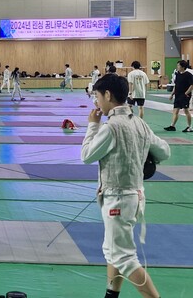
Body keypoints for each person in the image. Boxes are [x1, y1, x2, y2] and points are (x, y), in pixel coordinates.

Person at [81, 73, 170, 298]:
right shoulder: (139, 122)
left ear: (108, 95)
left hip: (118, 199)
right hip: (134, 196)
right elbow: (164, 151)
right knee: (113, 250)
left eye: (98, 96)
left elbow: (87, 155)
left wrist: (93, 126)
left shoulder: (112, 127)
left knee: (123, 256)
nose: (96, 102)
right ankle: (112, 294)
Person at [164, 60, 193, 132]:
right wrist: (172, 94)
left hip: (185, 96)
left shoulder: (188, 75)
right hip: (177, 95)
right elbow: (176, 85)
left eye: (178, 65)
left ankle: (189, 127)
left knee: (186, 110)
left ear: (183, 67)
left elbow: (192, 85)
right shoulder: (177, 74)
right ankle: (172, 126)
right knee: (175, 111)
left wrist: (186, 93)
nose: (177, 67)